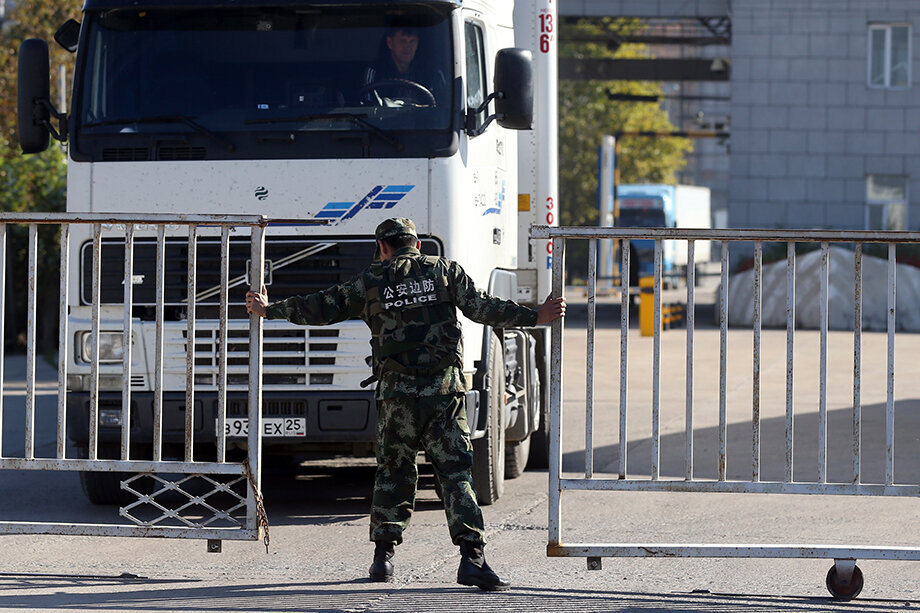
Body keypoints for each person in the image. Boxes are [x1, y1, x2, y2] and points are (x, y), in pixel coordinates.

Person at [245, 218, 566, 591]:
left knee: (394, 472)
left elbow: (322, 306)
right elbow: (483, 308)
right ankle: (473, 560)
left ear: (382, 246)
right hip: (443, 395)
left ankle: (383, 560)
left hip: (397, 397)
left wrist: (270, 309)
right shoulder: (445, 272)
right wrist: (535, 316)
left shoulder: (370, 281)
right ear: (416, 243)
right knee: (456, 475)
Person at [361, 27, 444, 106]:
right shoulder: (375, 71)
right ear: (390, 42)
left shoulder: (429, 72)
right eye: (403, 41)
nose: (408, 47)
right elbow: (369, 107)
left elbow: (441, 106)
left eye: (412, 41)